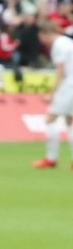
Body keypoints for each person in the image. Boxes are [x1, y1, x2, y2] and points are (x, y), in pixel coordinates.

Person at [33, 18, 73, 170]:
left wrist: (52, 93)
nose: (42, 41)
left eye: (41, 37)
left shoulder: (58, 45)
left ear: (45, 33)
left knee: (51, 119)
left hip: (69, 86)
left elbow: (61, 72)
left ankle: (51, 159)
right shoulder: (68, 42)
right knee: (70, 121)